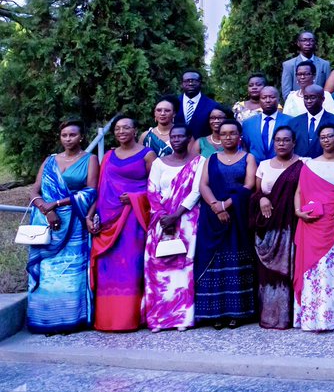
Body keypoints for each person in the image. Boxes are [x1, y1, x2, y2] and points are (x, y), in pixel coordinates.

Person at [26, 121, 98, 335]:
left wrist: (57, 204)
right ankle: (44, 318)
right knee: (47, 272)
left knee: (70, 272)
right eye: (64, 135)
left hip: (74, 224)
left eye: (73, 135)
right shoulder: (49, 161)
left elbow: (91, 191)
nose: (68, 139)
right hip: (46, 223)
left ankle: (69, 319)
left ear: (81, 137)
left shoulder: (90, 159)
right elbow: (34, 190)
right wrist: (46, 210)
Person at [87, 116, 155, 332]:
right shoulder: (107, 156)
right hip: (108, 220)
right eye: (117, 128)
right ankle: (107, 320)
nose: (121, 131)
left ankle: (130, 318)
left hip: (134, 219)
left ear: (135, 130)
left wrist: (136, 196)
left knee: (131, 267)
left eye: (126, 127)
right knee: (108, 270)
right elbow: (99, 188)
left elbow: (157, 188)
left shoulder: (147, 155)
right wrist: (92, 215)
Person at [293, 125, 334, 331]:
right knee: (315, 270)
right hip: (313, 224)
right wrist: (298, 211)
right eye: (322, 137)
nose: (326, 140)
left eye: (330, 136)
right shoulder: (309, 165)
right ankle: (314, 317)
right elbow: (298, 192)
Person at [195, 119, 258, 328]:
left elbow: (249, 185)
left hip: (238, 215)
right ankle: (215, 313)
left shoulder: (248, 158)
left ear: (239, 136)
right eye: (224, 134)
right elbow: (203, 185)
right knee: (214, 262)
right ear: (218, 137)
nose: (228, 137)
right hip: (211, 218)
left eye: (232, 133)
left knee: (236, 263)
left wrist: (226, 205)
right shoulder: (211, 159)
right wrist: (215, 206)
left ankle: (237, 313)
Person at [143, 125, 202, 332]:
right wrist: (163, 217)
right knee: (157, 267)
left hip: (186, 220)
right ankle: (158, 319)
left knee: (183, 267)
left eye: (181, 136)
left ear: (189, 139)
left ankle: (182, 319)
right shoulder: (159, 163)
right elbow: (152, 190)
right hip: (160, 220)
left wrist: (176, 215)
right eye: (173, 136)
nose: (177, 139)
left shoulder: (199, 162)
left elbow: (196, 191)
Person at [250, 125, 301, 330]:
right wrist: (262, 198)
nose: (281, 143)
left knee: (290, 270)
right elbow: (255, 193)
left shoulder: (304, 164)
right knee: (269, 274)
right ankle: (270, 316)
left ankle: (290, 316)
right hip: (269, 228)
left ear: (294, 142)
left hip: (292, 226)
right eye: (278, 140)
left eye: (286, 140)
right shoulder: (263, 165)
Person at [287, 85, 334, 159]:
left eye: (312, 97)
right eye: (306, 98)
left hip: (326, 166)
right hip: (299, 167)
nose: (309, 101)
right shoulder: (293, 123)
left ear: (322, 99)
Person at [281, 31, 330, 101]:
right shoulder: (289, 65)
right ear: (298, 43)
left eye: (311, 40)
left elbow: (328, 90)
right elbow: (286, 92)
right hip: (297, 107)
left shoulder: (324, 64)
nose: (307, 43)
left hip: (319, 105)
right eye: (304, 40)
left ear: (315, 43)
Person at [176, 70, 220, 139]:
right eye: (187, 81)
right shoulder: (173, 104)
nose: (190, 84)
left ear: (201, 83)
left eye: (194, 81)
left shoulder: (213, 106)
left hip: (202, 147)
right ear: (181, 84)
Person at [242, 87, 283, 162]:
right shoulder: (247, 123)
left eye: (272, 97)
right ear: (259, 101)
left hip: (283, 168)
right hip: (255, 168)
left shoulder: (291, 121)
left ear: (278, 99)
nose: (268, 100)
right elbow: (246, 147)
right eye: (264, 98)